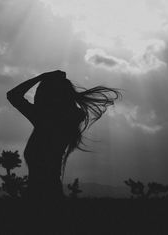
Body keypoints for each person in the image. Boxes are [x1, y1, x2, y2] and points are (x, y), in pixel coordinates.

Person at [7, 70, 120, 200]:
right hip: (48, 194)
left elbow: (13, 95)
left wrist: (41, 77)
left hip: (41, 196)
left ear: (48, 96)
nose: (36, 96)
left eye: (39, 91)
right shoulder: (62, 118)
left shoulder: (44, 119)